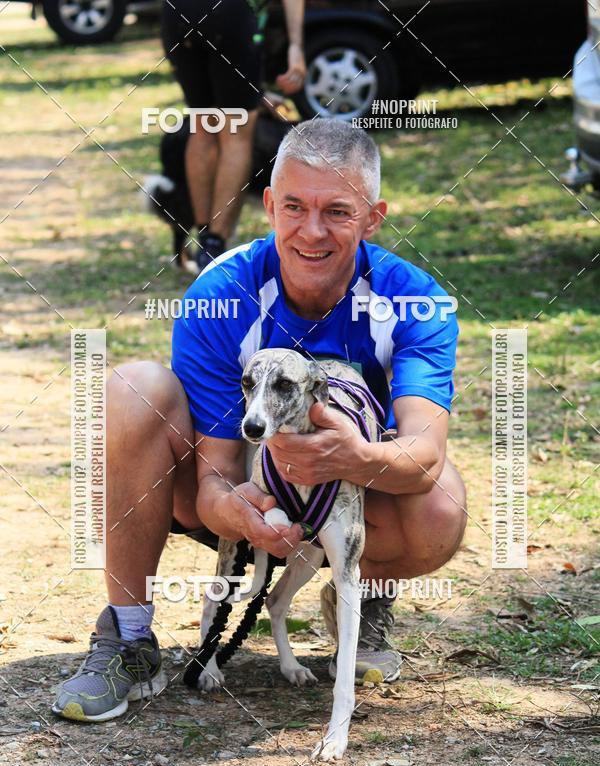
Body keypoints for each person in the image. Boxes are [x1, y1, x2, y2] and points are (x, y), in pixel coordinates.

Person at [53, 119, 467, 723]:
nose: (312, 231)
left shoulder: (413, 299)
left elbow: (424, 453)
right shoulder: (220, 293)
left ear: (374, 218)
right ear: (269, 205)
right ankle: (129, 637)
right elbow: (217, 469)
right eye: (294, 207)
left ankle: (363, 587)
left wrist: (352, 457)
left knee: (440, 509)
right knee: (129, 391)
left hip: (351, 500)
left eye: (338, 212)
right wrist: (239, 511)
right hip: (240, 496)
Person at [160, 0, 306, 271]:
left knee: (203, 127)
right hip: (230, 15)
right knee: (236, 136)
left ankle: (204, 231)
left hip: (177, 13)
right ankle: (213, 244)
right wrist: (296, 45)